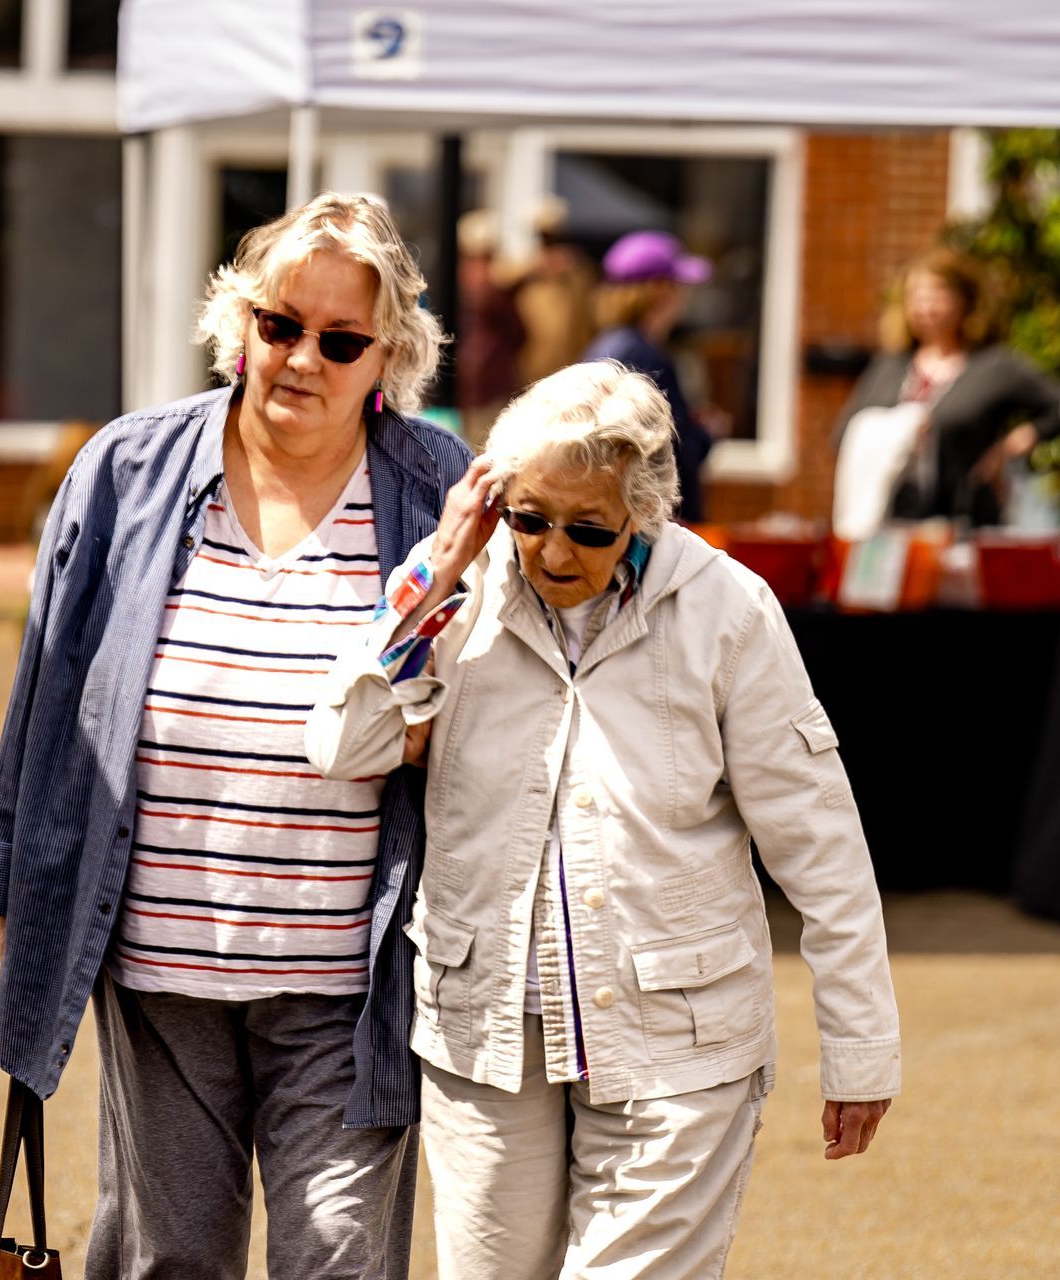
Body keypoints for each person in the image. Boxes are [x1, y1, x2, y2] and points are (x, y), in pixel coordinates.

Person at [0, 192, 471, 1280]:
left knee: (336, 1254)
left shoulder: (433, 490)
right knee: (169, 1256)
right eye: (280, 324)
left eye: (340, 342)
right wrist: (18, 909)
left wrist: (438, 739)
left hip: (350, 970)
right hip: (159, 963)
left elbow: (498, 701)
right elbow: (45, 704)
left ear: (387, 357)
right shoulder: (127, 470)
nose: (301, 360)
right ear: (238, 322)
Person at [307, 362, 902, 1280]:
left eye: (588, 529)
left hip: (679, 1041)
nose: (550, 552)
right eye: (529, 517)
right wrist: (431, 577)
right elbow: (344, 744)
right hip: (489, 1036)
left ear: (645, 514)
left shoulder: (728, 611)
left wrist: (859, 1048)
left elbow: (819, 843)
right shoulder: (460, 590)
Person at [833, 247, 1060, 528]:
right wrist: (897, 429)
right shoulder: (889, 366)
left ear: (965, 300)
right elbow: (843, 434)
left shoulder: (994, 367)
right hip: (890, 524)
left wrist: (1014, 443)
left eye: (936, 295)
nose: (925, 307)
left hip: (964, 521)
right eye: (916, 297)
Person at [582, 230, 716, 522]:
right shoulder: (645, 357)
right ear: (659, 288)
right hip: (650, 523)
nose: (685, 296)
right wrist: (707, 435)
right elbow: (672, 451)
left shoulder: (605, 347)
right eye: (679, 285)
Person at [455, 209, 528, 450]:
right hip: (484, 384)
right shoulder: (494, 290)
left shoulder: (476, 286)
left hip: (481, 383)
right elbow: (519, 333)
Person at [516, 196, 598, 386]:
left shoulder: (577, 267)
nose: (549, 240)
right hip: (532, 362)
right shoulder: (526, 266)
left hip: (570, 361)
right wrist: (536, 266)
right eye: (543, 234)